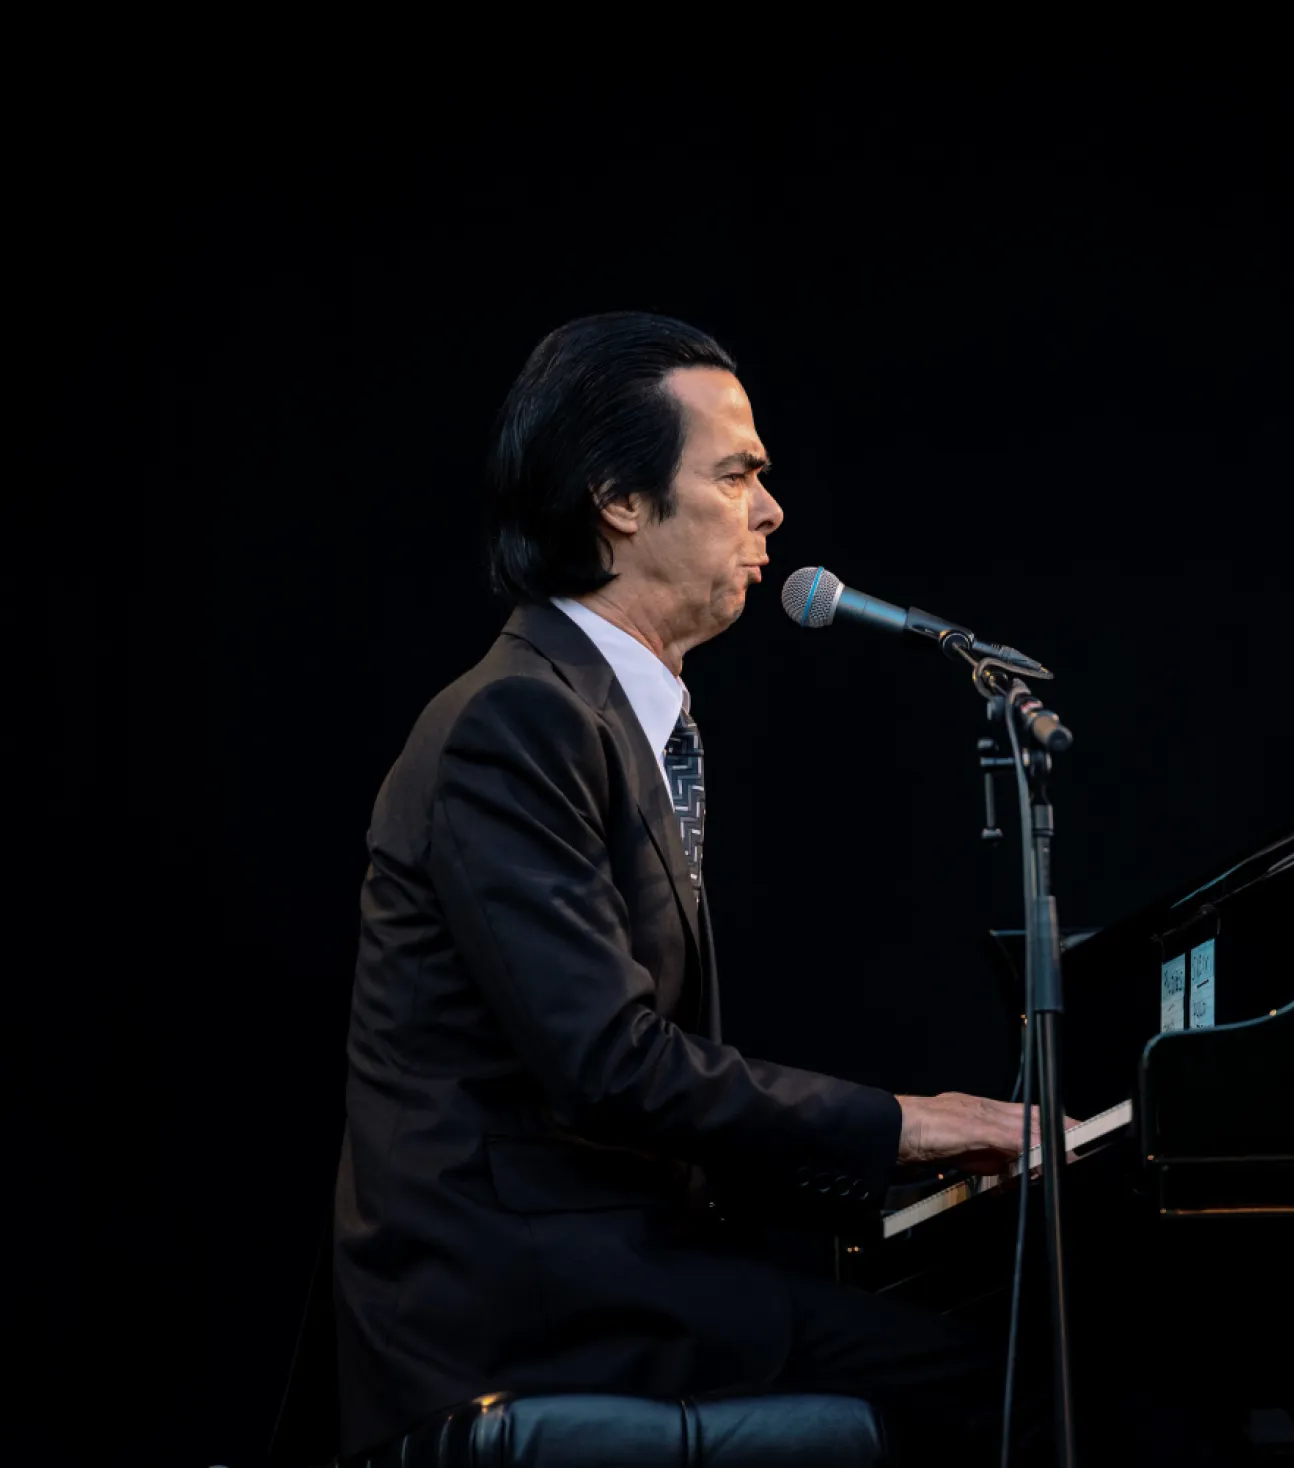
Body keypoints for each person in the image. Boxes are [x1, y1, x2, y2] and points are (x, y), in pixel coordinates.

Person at [331, 312, 1034, 1458]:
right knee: (1026, 1382)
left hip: (604, 1274)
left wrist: (920, 1174)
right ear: (618, 498)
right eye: (737, 473)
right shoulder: (517, 720)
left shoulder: (602, 714)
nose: (773, 511)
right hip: (523, 1310)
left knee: (1009, 1346)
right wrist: (910, 1125)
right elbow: (609, 1066)